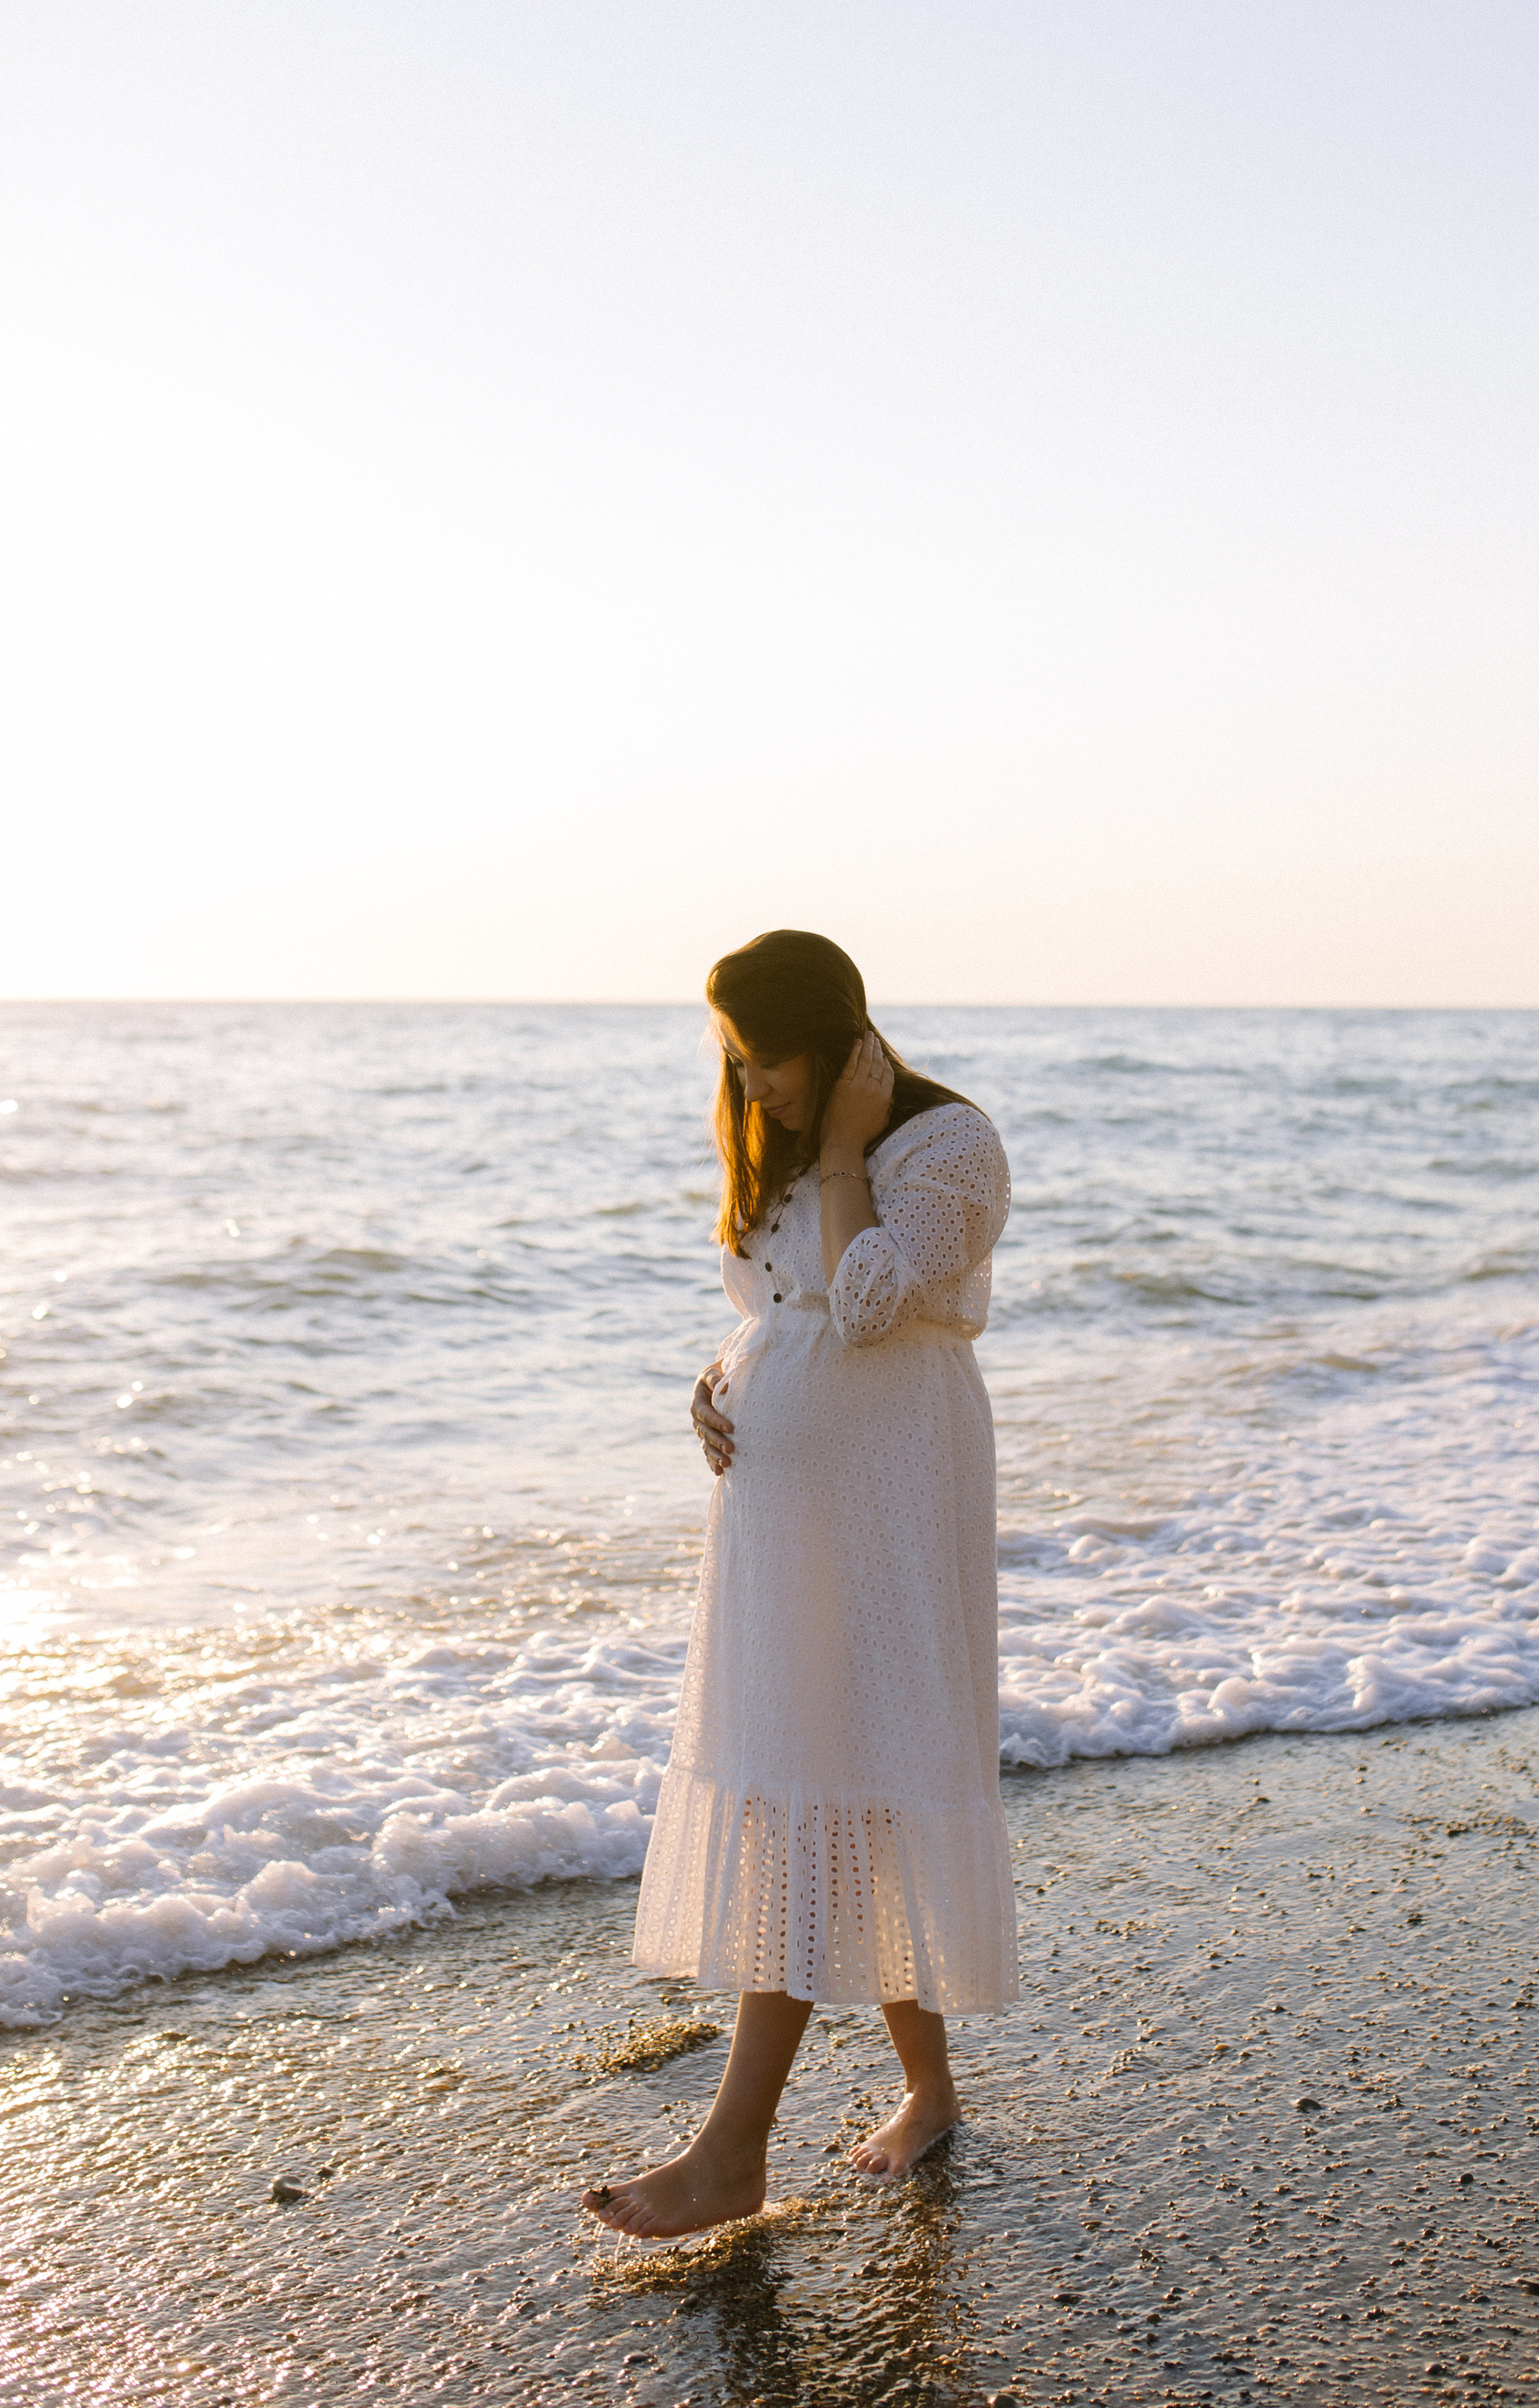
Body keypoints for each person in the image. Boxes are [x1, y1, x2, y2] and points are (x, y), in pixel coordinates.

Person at [583, 928, 1017, 2242]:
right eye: (732, 1057)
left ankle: (732, 2154)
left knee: (825, 1794)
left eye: (762, 1056)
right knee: (831, 1785)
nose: (747, 1080)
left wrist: (842, 1149)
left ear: (829, 1035)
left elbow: (868, 1303)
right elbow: (779, 1304)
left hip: (890, 1503)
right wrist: (720, 1381)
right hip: (782, 1520)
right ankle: (929, 2089)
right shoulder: (772, 1141)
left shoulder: (948, 1147)